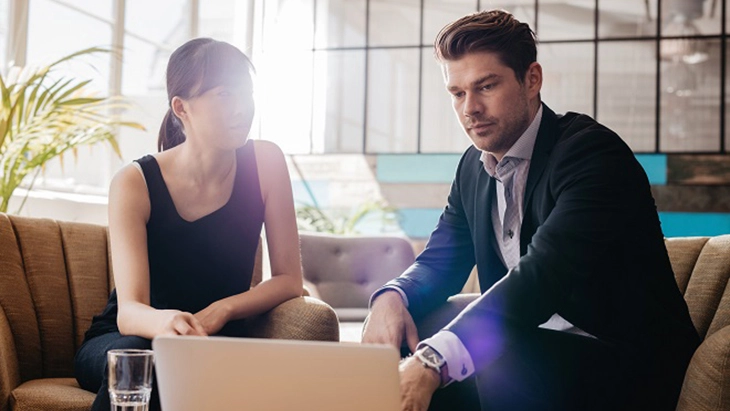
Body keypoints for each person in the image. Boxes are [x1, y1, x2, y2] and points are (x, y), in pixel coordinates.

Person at [362, 10, 700, 411]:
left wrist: (434, 360)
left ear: (532, 79)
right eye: (457, 93)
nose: (470, 108)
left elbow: (543, 275)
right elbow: (440, 261)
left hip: (624, 362)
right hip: (533, 350)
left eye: (486, 86)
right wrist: (392, 296)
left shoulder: (592, 155)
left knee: (490, 348)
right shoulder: (473, 167)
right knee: (421, 324)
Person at [74, 38, 303, 411]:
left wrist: (222, 310)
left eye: (246, 94)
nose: (242, 108)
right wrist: (170, 325)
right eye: (225, 94)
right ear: (181, 108)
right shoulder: (134, 182)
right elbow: (130, 311)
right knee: (150, 360)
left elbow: (289, 280)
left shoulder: (266, 163)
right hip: (123, 341)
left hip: (213, 340)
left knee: (180, 362)